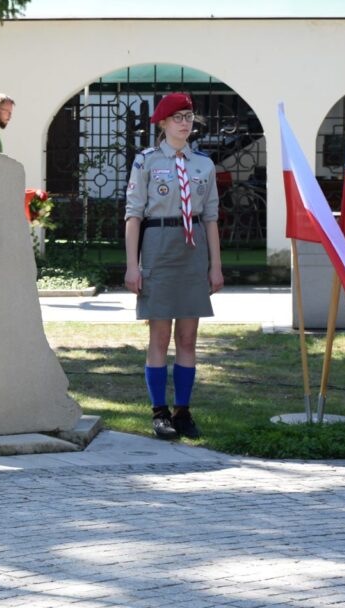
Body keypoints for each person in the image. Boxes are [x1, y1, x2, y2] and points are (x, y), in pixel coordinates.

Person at [123, 92, 224, 441]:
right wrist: (132, 266)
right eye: (177, 117)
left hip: (192, 249)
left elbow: (210, 218)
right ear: (163, 123)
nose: (185, 123)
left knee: (188, 337)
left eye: (189, 116)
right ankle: (159, 412)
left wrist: (216, 266)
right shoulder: (146, 162)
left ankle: (183, 410)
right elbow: (133, 216)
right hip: (158, 246)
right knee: (160, 334)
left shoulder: (204, 165)